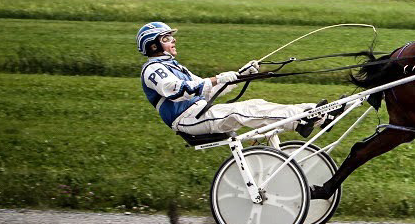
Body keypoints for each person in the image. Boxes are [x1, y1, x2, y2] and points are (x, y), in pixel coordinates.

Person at [137, 21, 325, 144]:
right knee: (241, 112)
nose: (173, 39)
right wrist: (218, 78)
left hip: (199, 112)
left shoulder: (175, 67)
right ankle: (304, 117)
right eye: (167, 38)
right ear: (153, 45)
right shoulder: (153, 69)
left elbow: (207, 90)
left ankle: (316, 111)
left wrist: (241, 75)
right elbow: (180, 91)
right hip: (187, 119)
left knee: (256, 104)